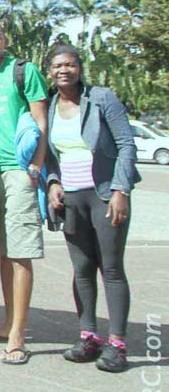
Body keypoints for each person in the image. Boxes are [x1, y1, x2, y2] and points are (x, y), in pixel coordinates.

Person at [45, 45, 140, 373]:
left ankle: (117, 344)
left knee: (111, 269)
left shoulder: (101, 98)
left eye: (70, 64)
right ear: (50, 71)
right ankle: (89, 337)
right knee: (82, 268)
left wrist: (120, 189)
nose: (64, 70)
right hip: (71, 198)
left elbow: (127, 144)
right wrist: (53, 182)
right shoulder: (52, 104)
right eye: (58, 65)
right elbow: (51, 154)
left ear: (80, 68)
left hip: (103, 195)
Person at [0, 21, 49, 365]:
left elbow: (41, 122)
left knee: (20, 253)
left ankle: (18, 334)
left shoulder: (24, 71)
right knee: (3, 250)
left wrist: (35, 167)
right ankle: (5, 323)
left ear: (5, 40)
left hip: (17, 171)